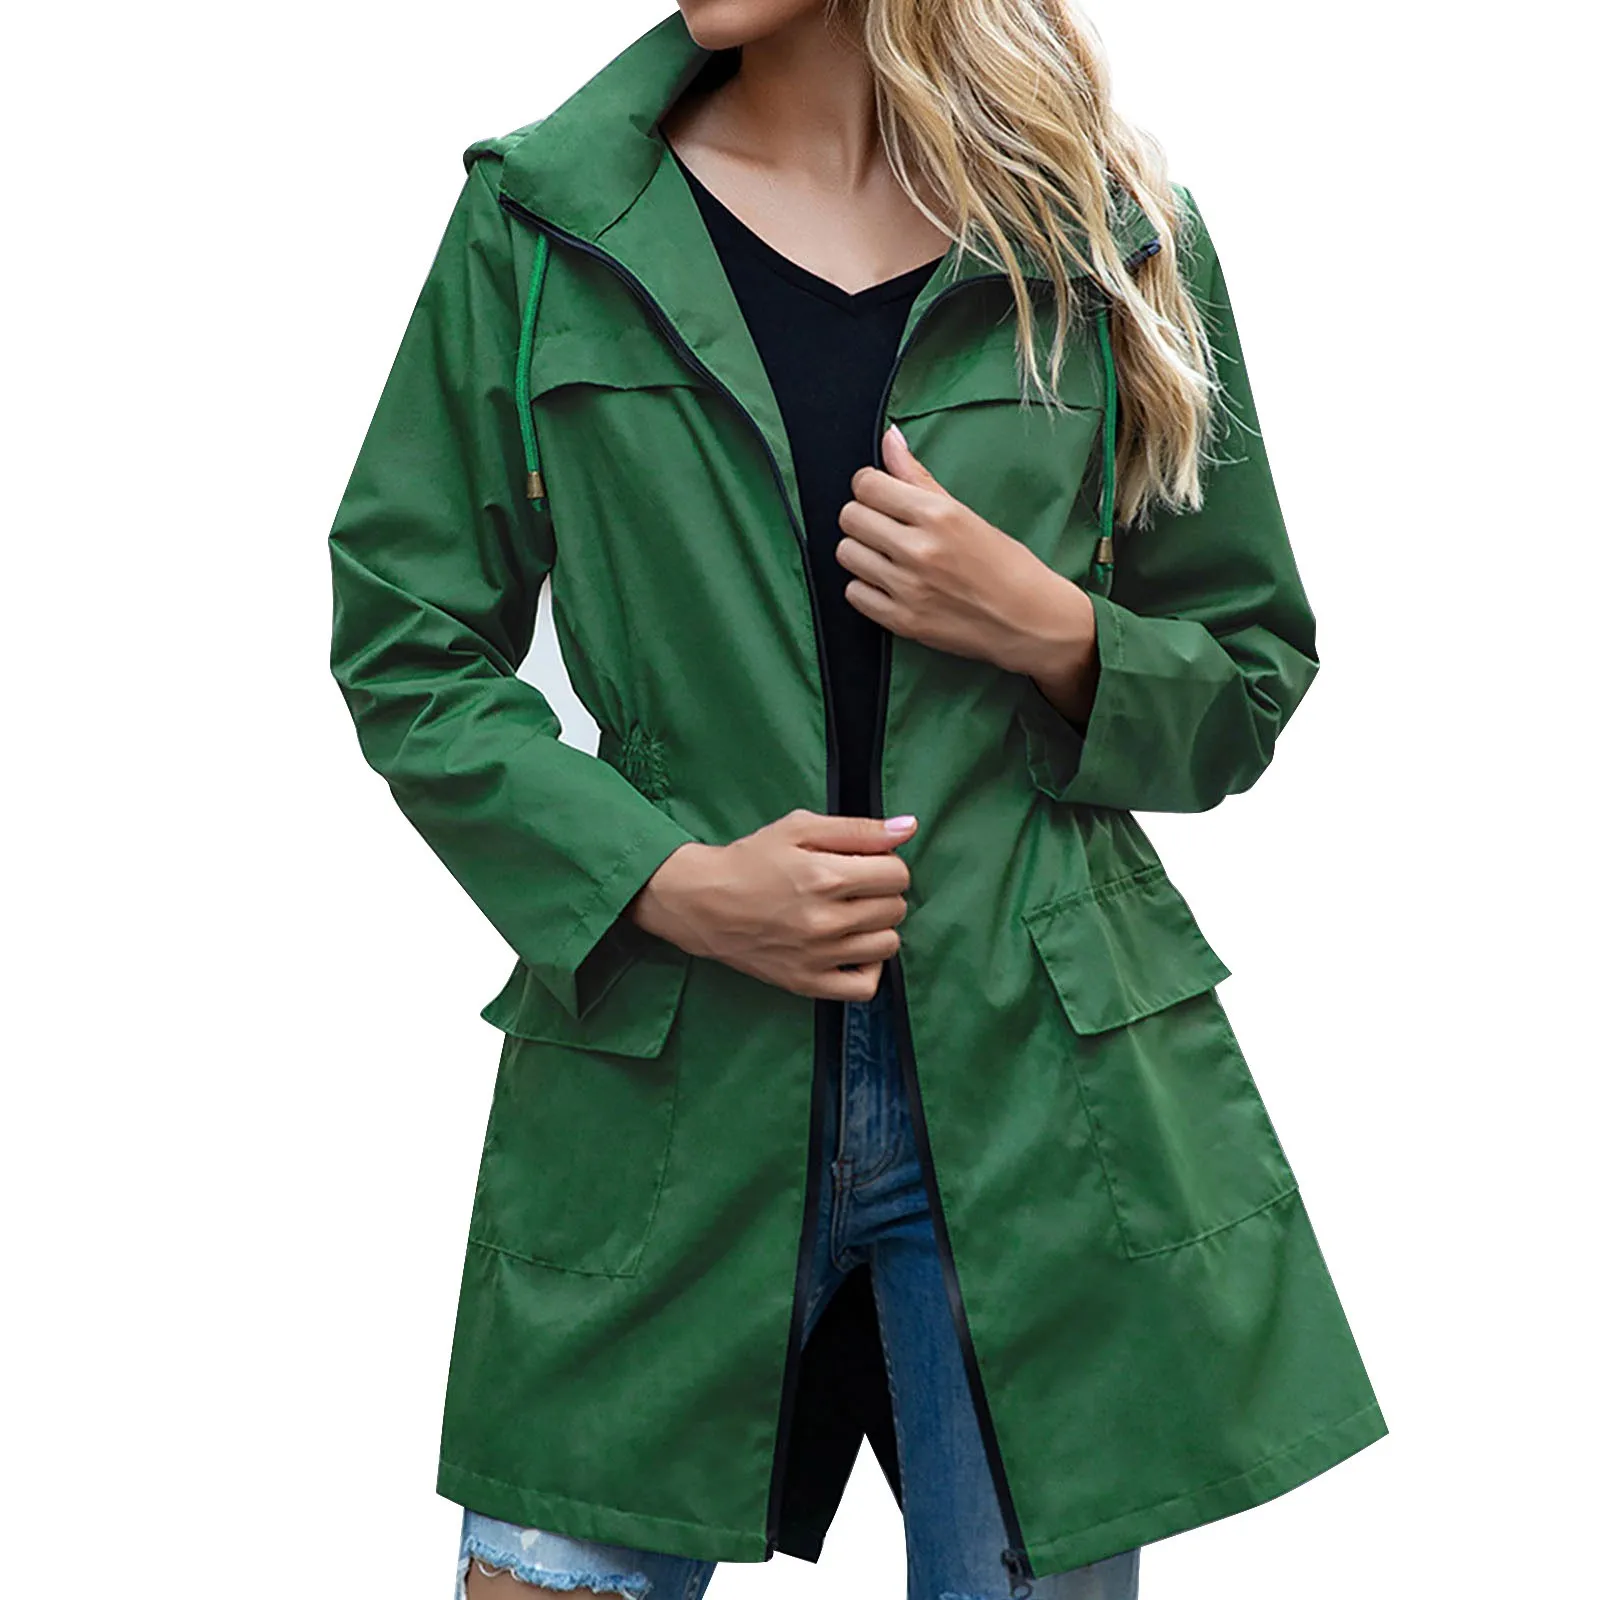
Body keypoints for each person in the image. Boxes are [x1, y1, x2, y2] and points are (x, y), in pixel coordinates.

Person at [327, 3, 1387, 1598]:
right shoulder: (544, 225)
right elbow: (408, 639)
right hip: (664, 1092)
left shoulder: (1106, 239)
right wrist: (667, 881)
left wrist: (1054, 629)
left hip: (1036, 1098)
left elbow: (1246, 680)